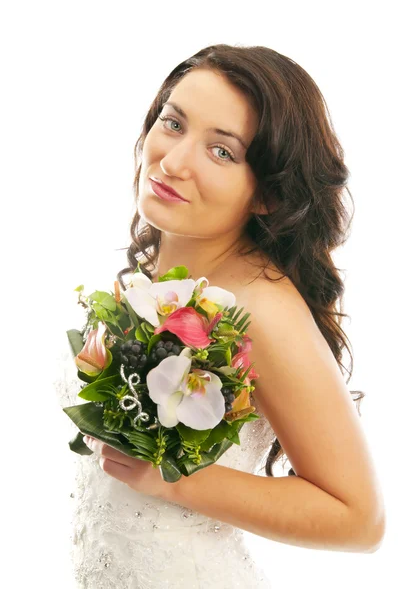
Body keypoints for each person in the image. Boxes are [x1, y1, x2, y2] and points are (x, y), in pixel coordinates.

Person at [57, 43, 386, 588]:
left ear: (267, 196)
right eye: (173, 122)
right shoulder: (161, 279)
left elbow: (360, 520)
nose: (173, 161)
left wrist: (176, 479)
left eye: (222, 151)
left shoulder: (259, 309)